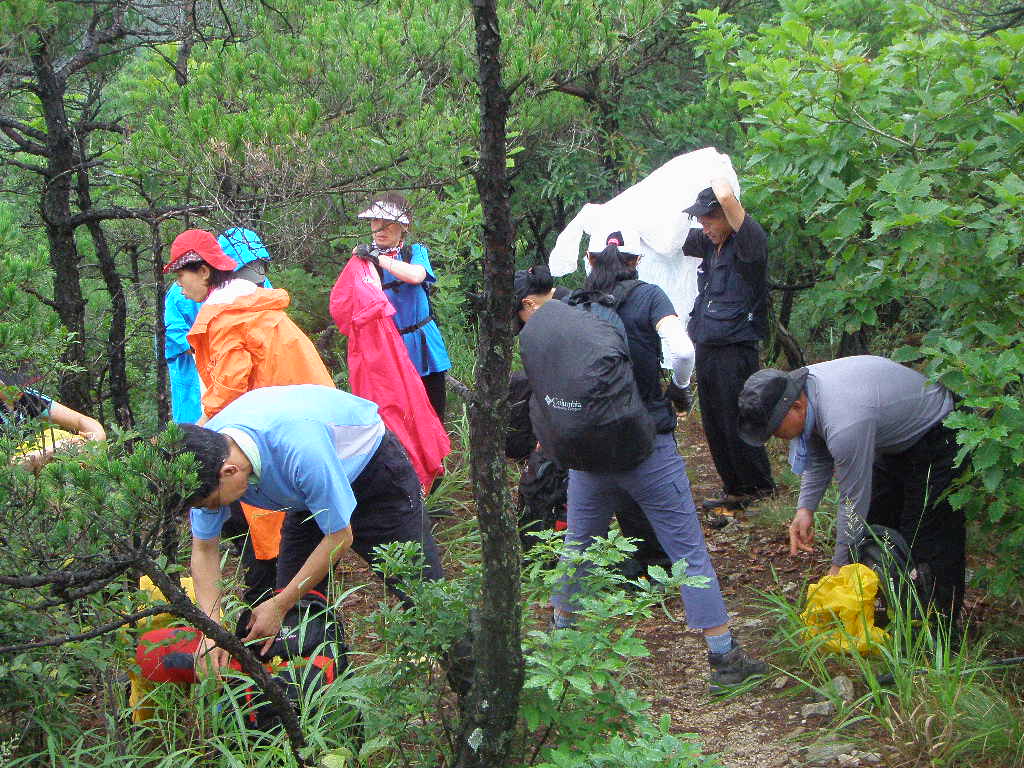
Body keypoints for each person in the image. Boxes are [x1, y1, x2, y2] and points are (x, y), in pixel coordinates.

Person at [515, 245, 767, 692]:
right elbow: (683, 350)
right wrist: (679, 387)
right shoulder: (649, 298)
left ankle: (558, 649)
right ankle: (724, 656)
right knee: (688, 551)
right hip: (647, 446)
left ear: (590, 262)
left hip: (587, 451)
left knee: (578, 547)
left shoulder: (572, 304)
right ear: (636, 261)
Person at [167, 384, 445, 672]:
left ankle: (477, 693)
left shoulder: (300, 449)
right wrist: (213, 630)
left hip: (372, 476)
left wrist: (279, 604)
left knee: (427, 598)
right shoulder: (203, 462)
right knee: (296, 614)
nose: (213, 510)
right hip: (304, 496)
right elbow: (204, 550)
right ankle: (329, 703)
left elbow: (339, 536)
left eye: (213, 503)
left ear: (230, 472)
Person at [737, 356, 964, 625]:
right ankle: (886, 614)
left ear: (796, 406)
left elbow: (852, 502)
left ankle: (938, 630)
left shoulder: (844, 421)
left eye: (774, 427)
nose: (774, 435)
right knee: (876, 531)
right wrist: (805, 509)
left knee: (924, 537)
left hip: (939, 432)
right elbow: (818, 454)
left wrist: (838, 568)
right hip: (893, 441)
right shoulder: (803, 392)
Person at [163, 228, 334, 424]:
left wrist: (200, 429)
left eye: (180, 276)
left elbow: (229, 389)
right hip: (315, 413)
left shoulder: (228, 317)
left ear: (203, 272)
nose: (179, 286)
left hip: (303, 421)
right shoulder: (243, 302)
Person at [684, 179, 775, 511]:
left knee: (739, 416)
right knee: (714, 419)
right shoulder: (710, 244)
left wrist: (716, 174)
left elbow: (726, 197)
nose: (704, 227)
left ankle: (759, 487)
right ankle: (735, 487)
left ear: (727, 215)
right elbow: (668, 236)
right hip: (707, 344)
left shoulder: (748, 245)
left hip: (736, 346)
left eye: (710, 220)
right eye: (701, 221)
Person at [350, 193, 451, 422]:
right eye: (375, 222)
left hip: (424, 346)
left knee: (433, 416)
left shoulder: (414, 252)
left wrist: (377, 258)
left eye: (389, 223)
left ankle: (436, 459)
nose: (380, 228)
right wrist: (367, 260)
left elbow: (416, 276)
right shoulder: (362, 261)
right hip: (388, 349)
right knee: (398, 419)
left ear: (404, 226)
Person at [161, 227, 274, 426]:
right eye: (250, 265)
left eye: (260, 264)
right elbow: (174, 335)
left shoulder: (258, 289)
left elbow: (234, 376)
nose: (258, 272)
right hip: (196, 379)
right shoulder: (183, 293)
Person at [1, 368, 106, 471]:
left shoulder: (23, 396)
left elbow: (85, 422)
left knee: (55, 436)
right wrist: (51, 452)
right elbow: (8, 470)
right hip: (14, 480)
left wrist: (91, 442)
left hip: (35, 467)